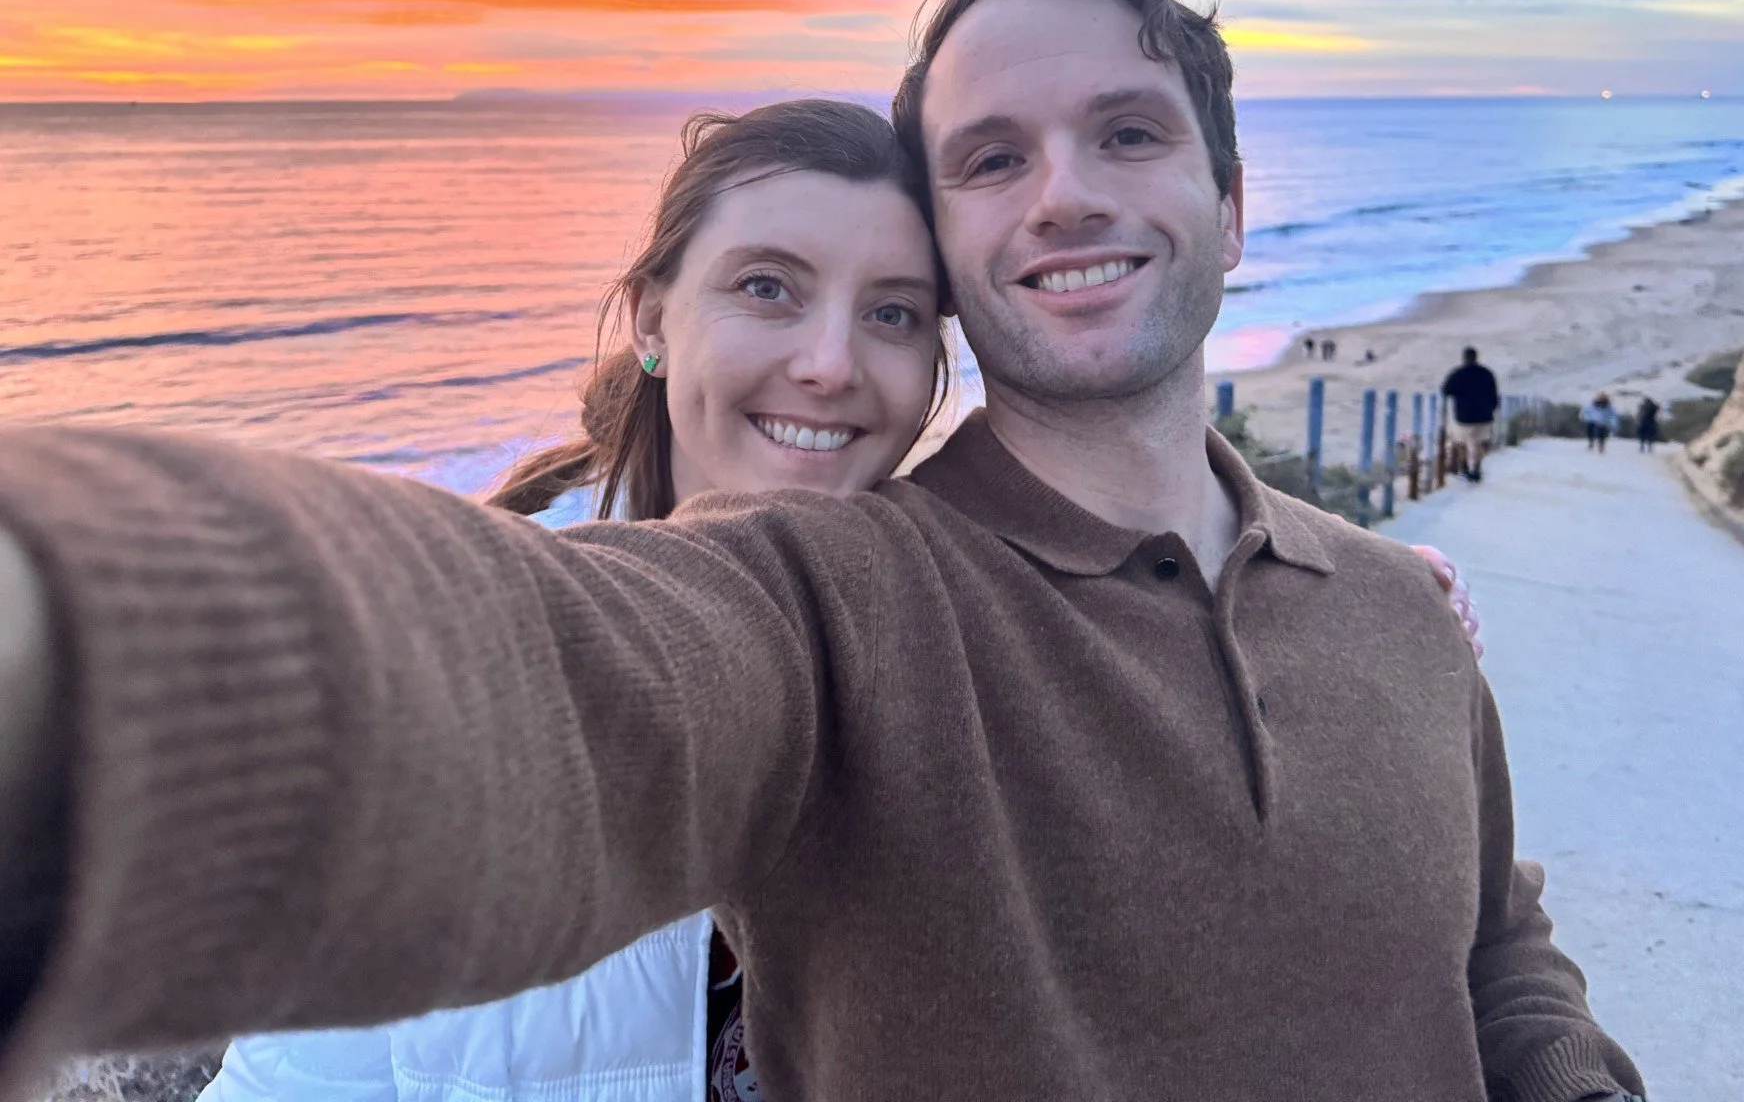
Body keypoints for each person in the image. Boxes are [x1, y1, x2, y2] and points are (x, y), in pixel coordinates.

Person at [0, 0, 1644, 1102]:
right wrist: (70, 641)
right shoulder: (834, 600)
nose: (1063, 190)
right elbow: (549, 677)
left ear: (1228, 204)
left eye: (1125, 134)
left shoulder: (1394, 613)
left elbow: (1493, 949)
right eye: (992, 160)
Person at [196, 101, 1482, 1102]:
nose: (828, 366)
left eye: (893, 313)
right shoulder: (480, 665)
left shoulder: (972, 625)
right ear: (652, 317)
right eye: (767, 287)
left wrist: (1333, 623)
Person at [1442, 346, 1501, 482]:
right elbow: (1494, 394)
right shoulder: (1486, 373)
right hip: (1484, 415)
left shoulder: (1457, 373)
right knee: (1479, 443)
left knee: (1462, 443)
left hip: (1463, 416)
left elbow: (1446, 390)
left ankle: (1465, 467)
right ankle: (1477, 468)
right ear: (1476, 357)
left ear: (1464, 358)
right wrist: (1492, 408)